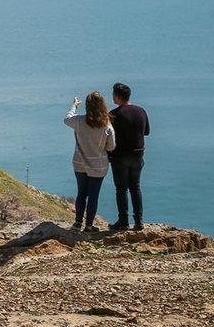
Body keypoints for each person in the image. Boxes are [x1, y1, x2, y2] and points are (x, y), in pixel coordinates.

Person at [64, 92, 116, 232]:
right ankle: (89, 225)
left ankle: (77, 223)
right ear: (102, 105)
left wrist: (74, 106)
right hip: (98, 165)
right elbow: (111, 147)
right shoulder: (107, 126)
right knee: (94, 195)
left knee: (81, 193)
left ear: (87, 106)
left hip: (79, 163)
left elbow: (67, 119)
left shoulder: (79, 121)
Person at [108, 83, 150, 231]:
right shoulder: (141, 111)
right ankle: (139, 221)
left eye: (113, 94)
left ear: (118, 96)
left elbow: (108, 136)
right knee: (135, 187)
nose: (112, 97)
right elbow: (146, 132)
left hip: (120, 156)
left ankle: (123, 220)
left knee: (121, 189)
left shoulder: (113, 114)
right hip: (138, 154)